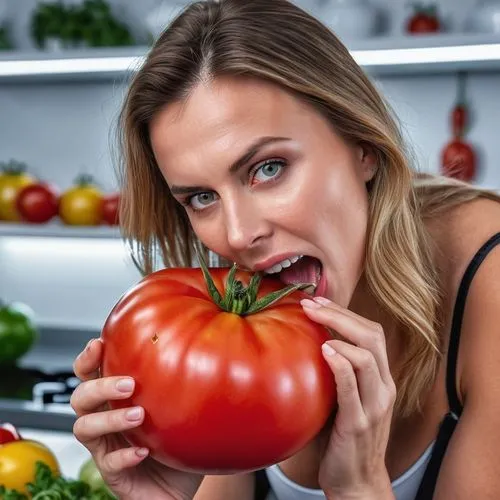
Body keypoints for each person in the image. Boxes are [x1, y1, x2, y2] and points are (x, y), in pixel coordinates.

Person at [70, 0, 500, 499]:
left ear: (362, 145)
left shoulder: (488, 284)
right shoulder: (222, 335)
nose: (236, 235)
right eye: (202, 198)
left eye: (268, 168)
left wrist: (360, 489)